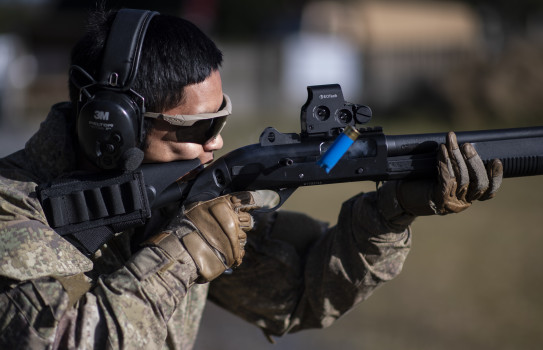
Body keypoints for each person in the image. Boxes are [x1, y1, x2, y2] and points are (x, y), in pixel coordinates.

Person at [0, 8, 503, 350]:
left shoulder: (173, 203)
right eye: (198, 128)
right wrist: (180, 255)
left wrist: (388, 216)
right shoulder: (12, 211)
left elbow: (301, 292)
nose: (216, 142)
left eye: (221, 121)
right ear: (109, 130)